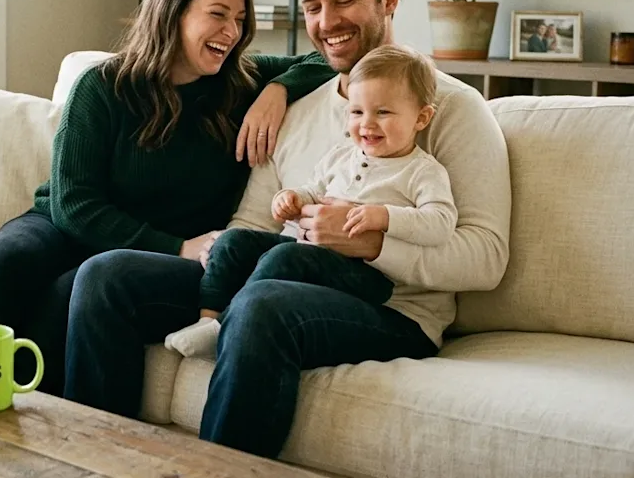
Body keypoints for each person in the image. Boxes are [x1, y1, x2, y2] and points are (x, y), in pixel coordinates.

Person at [62, 0, 510, 459]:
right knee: (107, 275)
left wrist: (371, 244)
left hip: (394, 309)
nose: (327, 22)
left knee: (262, 303)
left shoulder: (451, 109)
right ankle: (93, 466)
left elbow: (486, 259)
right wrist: (233, 252)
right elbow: (253, 224)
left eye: (344, 0)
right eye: (313, 6)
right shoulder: (295, 110)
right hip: (279, 270)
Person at [0, 0, 337, 396]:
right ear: (173, 11)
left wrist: (277, 88)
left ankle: (53, 435)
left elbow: (331, 60)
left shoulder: (240, 85)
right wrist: (178, 246)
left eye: (239, 19)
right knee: (8, 260)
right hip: (68, 226)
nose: (231, 32)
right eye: (217, 14)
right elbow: (74, 203)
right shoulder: (104, 86)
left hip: (145, 253)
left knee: (66, 295)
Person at [164, 44, 457, 358]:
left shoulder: (422, 171)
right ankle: (207, 319)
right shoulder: (341, 156)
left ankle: (227, 323)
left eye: (383, 112)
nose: (366, 124)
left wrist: (383, 217)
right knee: (232, 242)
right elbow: (313, 190)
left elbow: (440, 223)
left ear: (421, 118)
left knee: (286, 258)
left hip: (370, 279)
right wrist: (291, 198)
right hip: (314, 262)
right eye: (357, 112)